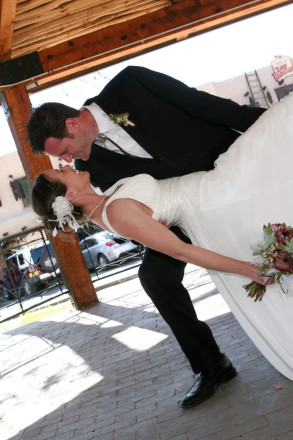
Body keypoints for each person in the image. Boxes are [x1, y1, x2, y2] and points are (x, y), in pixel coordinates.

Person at [27, 66, 266, 408]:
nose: (68, 160)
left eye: (64, 151)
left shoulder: (131, 84)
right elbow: (128, 212)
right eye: (61, 160)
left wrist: (270, 124)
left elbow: (203, 104)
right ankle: (211, 364)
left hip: (224, 163)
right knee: (153, 276)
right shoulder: (91, 169)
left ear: (72, 124)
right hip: (177, 208)